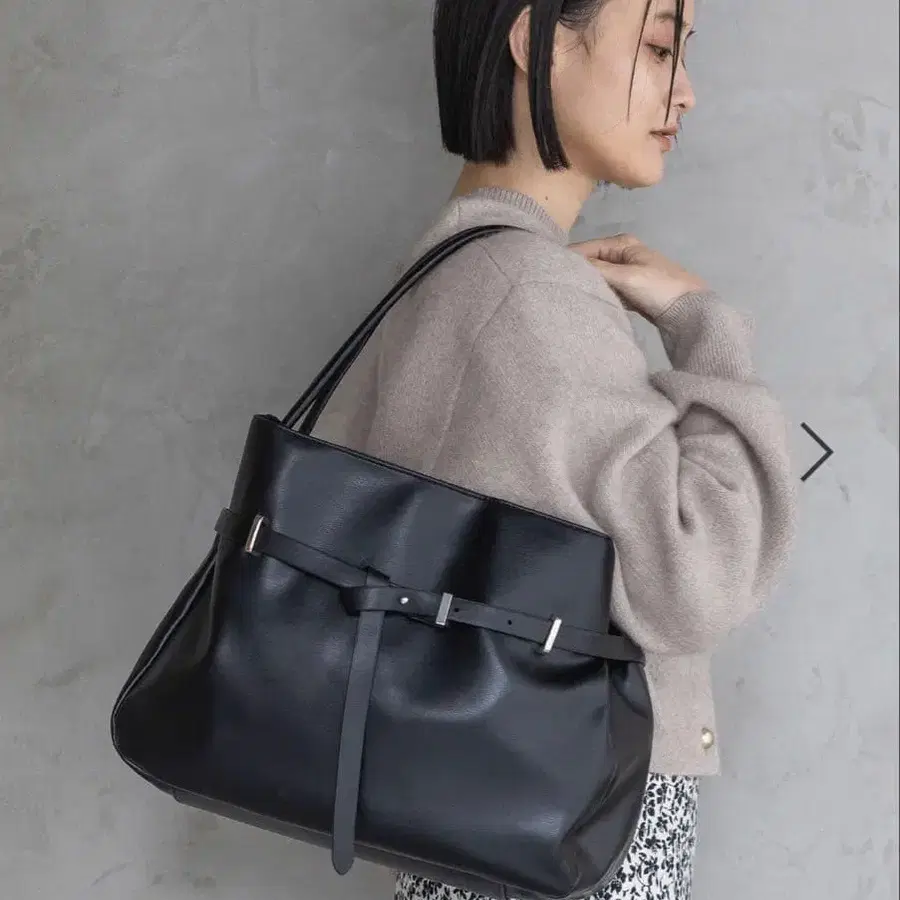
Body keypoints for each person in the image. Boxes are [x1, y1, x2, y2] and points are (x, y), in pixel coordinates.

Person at [314, 0, 798, 897]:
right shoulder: (528, 291)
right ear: (535, 41)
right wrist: (706, 329)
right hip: (577, 834)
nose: (685, 91)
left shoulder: (448, 271)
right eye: (660, 47)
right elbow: (696, 576)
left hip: (482, 825)